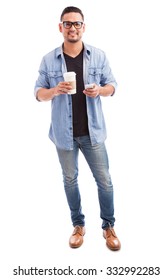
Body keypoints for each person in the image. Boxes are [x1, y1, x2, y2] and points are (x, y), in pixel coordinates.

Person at [34, 6, 121, 251]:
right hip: (64, 133)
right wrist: (54, 91)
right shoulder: (49, 59)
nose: (73, 27)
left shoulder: (98, 56)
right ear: (60, 27)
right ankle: (78, 225)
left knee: (104, 180)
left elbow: (113, 85)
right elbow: (38, 93)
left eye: (77, 23)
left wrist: (100, 90)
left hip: (93, 132)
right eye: (68, 23)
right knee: (70, 180)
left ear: (84, 26)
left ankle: (108, 226)